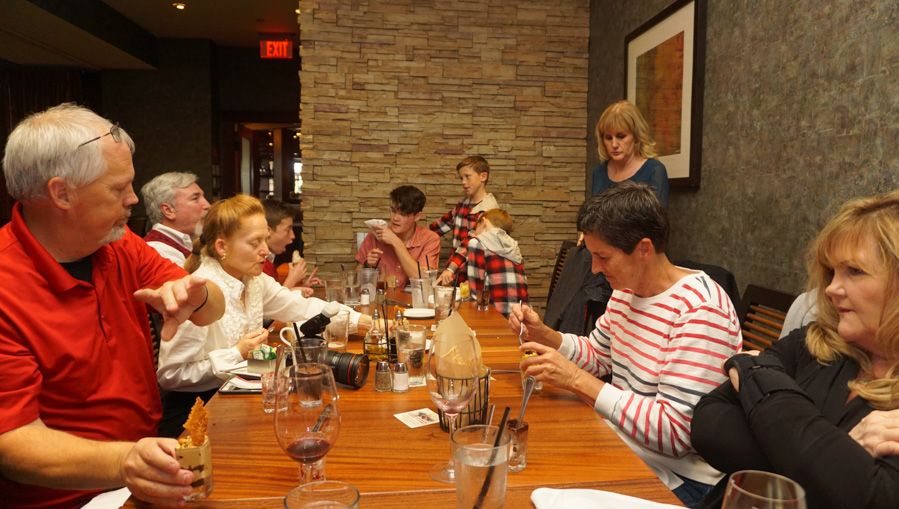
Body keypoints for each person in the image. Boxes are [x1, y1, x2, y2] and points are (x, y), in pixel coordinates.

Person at [0, 103, 226, 508]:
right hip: (67, 499)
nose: (133, 199)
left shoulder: (118, 243)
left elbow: (212, 308)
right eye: (118, 188)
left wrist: (199, 296)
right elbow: (12, 441)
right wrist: (125, 461)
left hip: (141, 473)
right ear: (61, 193)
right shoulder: (6, 283)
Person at [510, 182, 742, 508]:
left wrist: (576, 380)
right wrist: (544, 334)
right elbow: (598, 355)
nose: (594, 269)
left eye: (603, 256)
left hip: (681, 478)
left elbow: (675, 433)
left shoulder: (700, 309)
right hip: (623, 443)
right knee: (524, 467)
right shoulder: (626, 291)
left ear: (644, 250)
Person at [692, 190, 899, 509]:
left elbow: (874, 497)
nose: (831, 289)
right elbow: (707, 424)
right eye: (832, 272)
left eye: (854, 271)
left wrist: (754, 369)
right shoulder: (816, 341)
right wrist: (834, 457)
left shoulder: (772, 363)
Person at [157, 194, 373, 438]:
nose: (265, 251)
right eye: (255, 243)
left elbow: (301, 307)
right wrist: (237, 352)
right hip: (197, 414)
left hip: (242, 403)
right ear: (222, 247)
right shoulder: (198, 293)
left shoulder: (254, 280)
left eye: (266, 240)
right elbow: (170, 376)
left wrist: (362, 321)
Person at [356, 185, 440, 289]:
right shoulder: (375, 235)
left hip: (414, 299)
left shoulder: (431, 239)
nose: (395, 218)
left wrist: (395, 241)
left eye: (403, 214)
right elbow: (356, 282)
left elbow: (424, 281)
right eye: (393, 211)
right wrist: (367, 266)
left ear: (417, 216)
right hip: (382, 298)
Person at [430, 156, 499, 283]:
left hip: (477, 278)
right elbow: (439, 226)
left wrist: (450, 268)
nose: (463, 182)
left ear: (483, 177)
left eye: (468, 176)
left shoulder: (489, 210)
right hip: (458, 276)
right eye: (461, 178)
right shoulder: (462, 204)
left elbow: (470, 242)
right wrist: (415, 235)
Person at [591, 100, 669, 204]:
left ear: (636, 136)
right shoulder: (599, 171)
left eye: (621, 136)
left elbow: (658, 214)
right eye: (608, 138)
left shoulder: (654, 171)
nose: (614, 144)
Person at [458, 209, 529, 318]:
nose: (475, 233)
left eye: (476, 228)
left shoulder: (476, 243)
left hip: (496, 316)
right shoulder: (513, 245)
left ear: (484, 222)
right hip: (522, 316)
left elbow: (476, 294)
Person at [140, 172, 211, 267]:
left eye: (203, 197)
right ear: (168, 210)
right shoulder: (157, 251)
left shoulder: (194, 242)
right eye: (195, 199)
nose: (207, 205)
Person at [262, 198, 321, 296]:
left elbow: (272, 295)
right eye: (288, 230)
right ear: (268, 231)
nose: (293, 236)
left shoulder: (269, 260)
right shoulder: (259, 264)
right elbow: (271, 303)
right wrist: (293, 279)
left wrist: (303, 287)